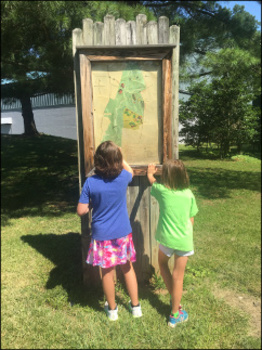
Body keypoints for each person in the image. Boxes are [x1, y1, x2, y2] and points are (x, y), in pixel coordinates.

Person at [77, 140, 142, 321]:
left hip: (102, 234)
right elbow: (131, 171)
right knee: (127, 268)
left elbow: (81, 210)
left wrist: (91, 203)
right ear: (117, 160)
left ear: (98, 160)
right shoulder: (123, 178)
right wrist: (121, 157)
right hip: (122, 232)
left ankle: (112, 310)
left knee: (106, 271)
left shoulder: (91, 183)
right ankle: (136, 307)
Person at [147, 159, 198, 328]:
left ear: (166, 176)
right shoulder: (189, 194)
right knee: (178, 277)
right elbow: (191, 219)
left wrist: (150, 171)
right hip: (184, 240)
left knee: (162, 264)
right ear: (184, 175)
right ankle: (175, 314)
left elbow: (151, 180)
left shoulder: (162, 191)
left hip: (166, 238)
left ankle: (174, 304)